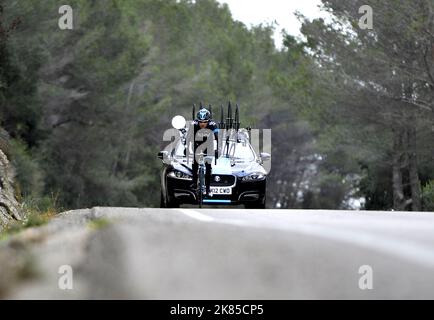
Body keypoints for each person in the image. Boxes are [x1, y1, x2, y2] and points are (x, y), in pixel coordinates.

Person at [188, 107, 219, 196]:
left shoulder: (213, 124)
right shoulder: (194, 124)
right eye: (201, 122)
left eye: (205, 122)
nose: (202, 124)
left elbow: (217, 138)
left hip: (208, 144)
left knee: (208, 166)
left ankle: (208, 189)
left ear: (208, 121)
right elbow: (189, 136)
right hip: (196, 144)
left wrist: (217, 150)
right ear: (198, 121)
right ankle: (194, 182)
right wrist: (186, 147)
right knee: (195, 162)